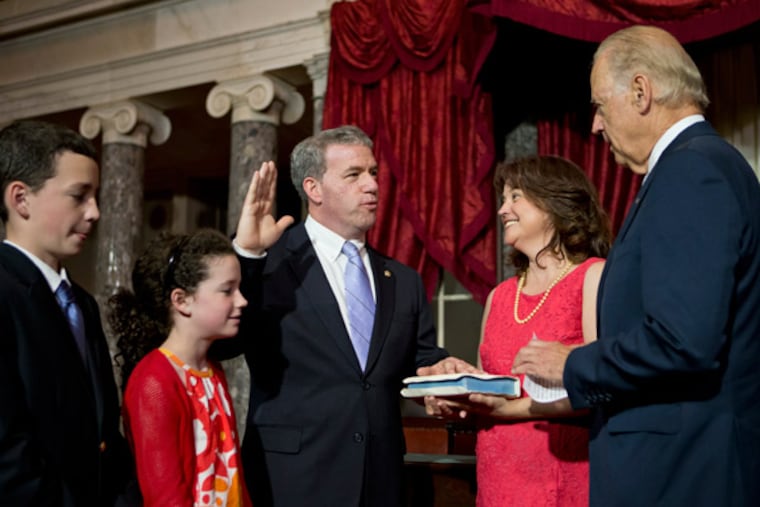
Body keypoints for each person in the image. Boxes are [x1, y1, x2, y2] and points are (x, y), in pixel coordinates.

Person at [512, 25, 760, 506]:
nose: (596, 126)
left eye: (601, 106)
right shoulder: (705, 164)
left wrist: (572, 363)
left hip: (683, 472)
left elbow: (683, 341)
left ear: (641, 91)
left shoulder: (692, 170)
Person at [217, 124, 475, 507]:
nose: (371, 185)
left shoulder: (402, 280)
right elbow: (226, 343)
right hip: (292, 478)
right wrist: (248, 257)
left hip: (381, 477)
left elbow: (415, 360)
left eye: (373, 173)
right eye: (353, 175)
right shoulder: (271, 263)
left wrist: (441, 369)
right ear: (313, 189)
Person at [425, 155, 610, 506]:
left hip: (562, 476)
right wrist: (455, 395)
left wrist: (506, 410)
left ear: (554, 202)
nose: (502, 210)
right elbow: (491, 389)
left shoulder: (592, 277)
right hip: (496, 479)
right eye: (503, 199)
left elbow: (601, 385)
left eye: (515, 197)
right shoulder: (499, 296)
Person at [0, 120, 134, 505]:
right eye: (79, 196)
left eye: (96, 196)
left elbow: (103, 431)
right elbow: (9, 453)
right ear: (21, 199)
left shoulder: (81, 302)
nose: (95, 212)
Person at [109, 229, 252, 506]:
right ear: (181, 300)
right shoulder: (155, 380)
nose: (241, 300)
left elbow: (233, 476)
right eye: (227, 290)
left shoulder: (212, 369)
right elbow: (165, 496)